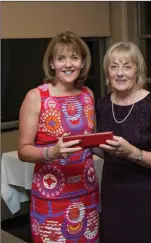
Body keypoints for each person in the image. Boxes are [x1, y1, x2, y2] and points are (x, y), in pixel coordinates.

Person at [18, 31, 100, 243]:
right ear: (52, 63)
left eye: (74, 57)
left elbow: (89, 140)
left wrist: (109, 146)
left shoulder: (88, 94)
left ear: (82, 62)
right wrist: (51, 152)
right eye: (61, 58)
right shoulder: (36, 97)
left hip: (86, 191)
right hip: (51, 197)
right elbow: (23, 150)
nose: (68, 64)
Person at [95, 41, 151, 243]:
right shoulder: (102, 105)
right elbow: (107, 151)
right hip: (114, 198)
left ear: (137, 70)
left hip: (149, 200)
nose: (120, 73)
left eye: (127, 66)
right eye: (114, 66)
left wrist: (131, 152)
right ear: (107, 72)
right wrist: (83, 143)